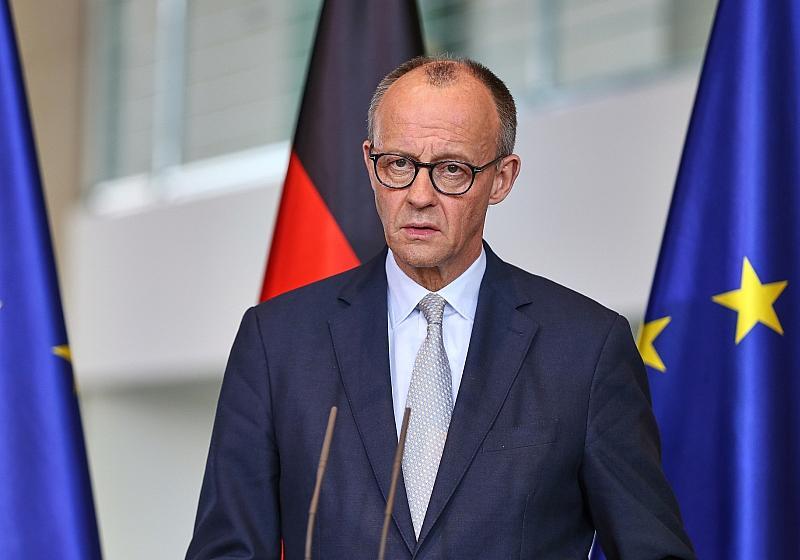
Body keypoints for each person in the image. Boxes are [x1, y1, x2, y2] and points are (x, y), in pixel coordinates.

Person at [186, 56, 696, 560]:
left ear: (502, 178)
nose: (419, 196)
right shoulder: (277, 342)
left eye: (451, 170)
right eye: (398, 165)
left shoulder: (586, 349)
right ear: (370, 164)